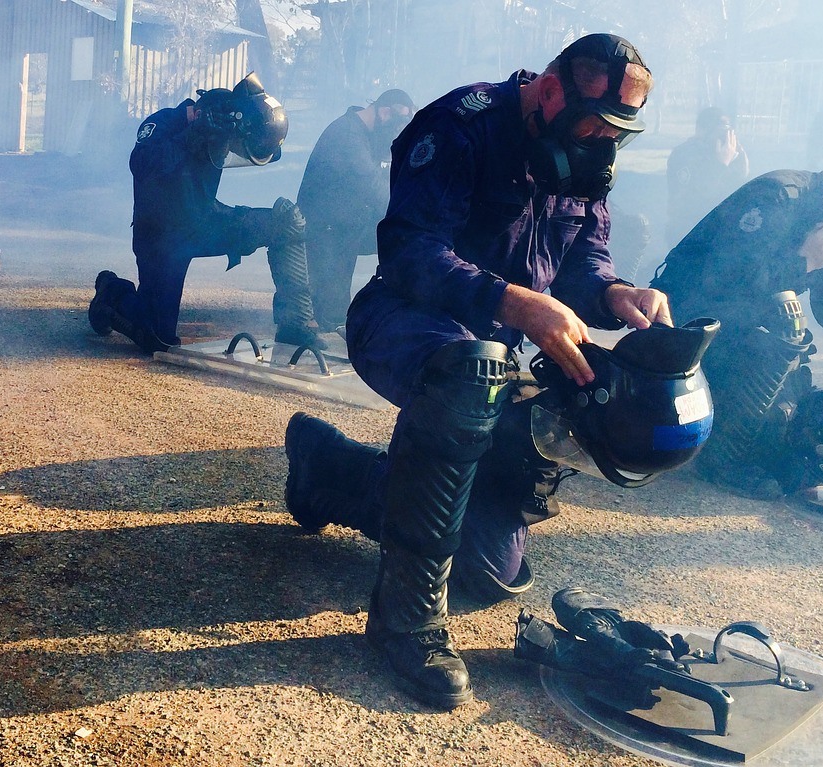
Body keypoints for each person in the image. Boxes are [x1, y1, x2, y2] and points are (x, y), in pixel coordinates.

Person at [284, 34, 667, 709]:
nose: (602, 144)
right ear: (550, 93)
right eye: (593, 124)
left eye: (616, 132)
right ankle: (404, 620)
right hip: (401, 321)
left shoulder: (584, 157)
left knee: (491, 569)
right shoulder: (461, 123)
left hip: (490, 347)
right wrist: (514, 302)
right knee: (472, 374)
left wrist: (614, 294)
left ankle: (328, 469)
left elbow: (584, 260)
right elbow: (409, 252)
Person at [650, 165, 823, 499]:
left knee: (795, 432)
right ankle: (722, 461)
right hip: (687, 324)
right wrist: (804, 260)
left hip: (748, 336)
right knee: (782, 329)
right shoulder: (778, 197)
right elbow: (722, 281)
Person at [89, 73, 324, 353]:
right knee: (158, 340)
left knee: (285, 225)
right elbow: (142, 165)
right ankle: (111, 293)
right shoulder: (163, 122)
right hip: (162, 237)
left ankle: (295, 324)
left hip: (205, 220)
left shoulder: (220, 126)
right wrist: (191, 136)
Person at [297, 89, 415, 331]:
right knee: (332, 314)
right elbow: (371, 186)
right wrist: (408, 211)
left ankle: (397, 310)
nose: (396, 133)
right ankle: (301, 319)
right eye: (396, 125)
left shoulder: (370, 134)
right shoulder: (346, 135)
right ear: (384, 112)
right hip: (325, 228)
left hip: (348, 224)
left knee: (406, 239)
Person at [664, 107, 749, 245]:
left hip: (722, 229)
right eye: (719, 129)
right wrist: (720, 164)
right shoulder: (684, 154)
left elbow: (743, 183)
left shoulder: (729, 152)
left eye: (726, 130)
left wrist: (739, 156)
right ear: (700, 130)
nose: (723, 136)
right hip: (689, 231)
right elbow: (693, 200)